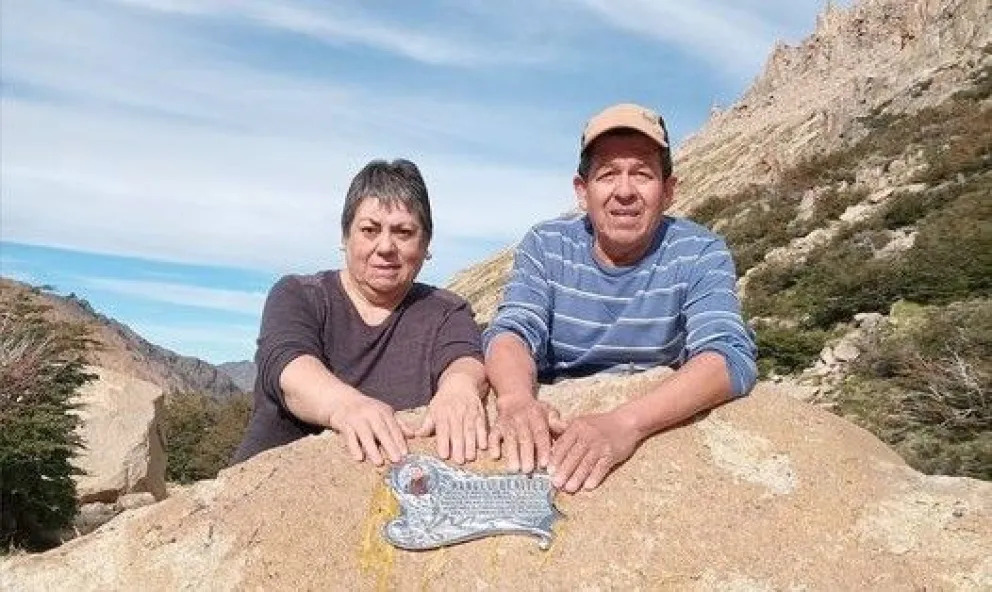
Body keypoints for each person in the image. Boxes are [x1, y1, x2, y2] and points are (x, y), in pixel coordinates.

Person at [483, 103, 757, 494]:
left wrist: (625, 424)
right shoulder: (546, 245)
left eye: (642, 175)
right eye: (608, 174)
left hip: (645, 420)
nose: (624, 191)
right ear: (583, 191)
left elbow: (728, 355)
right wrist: (515, 400)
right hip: (558, 416)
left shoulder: (700, 251)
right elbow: (512, 331)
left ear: (668, 192)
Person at [233, 159, 488, 467]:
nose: (385, 246)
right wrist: (346, 406)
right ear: (345, 237)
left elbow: (463, 357)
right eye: (369, 230)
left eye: (403, 232)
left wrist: (459, 389)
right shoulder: (299, 294)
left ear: (426, 245)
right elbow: (287, 365)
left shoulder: (447, 310)